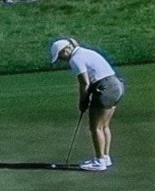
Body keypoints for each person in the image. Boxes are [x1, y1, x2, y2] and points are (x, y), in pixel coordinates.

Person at [51, 37, 124, 172]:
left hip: (105, 88)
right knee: (104, 126)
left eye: (60, 56)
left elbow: (84, 82)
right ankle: (105, 157)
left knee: (95, 127)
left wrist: (82, 101)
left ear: (65, 50)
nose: (62, 60)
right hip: (116, 86)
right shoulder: (86, 52)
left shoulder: (75, 59)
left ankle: (99, 161)